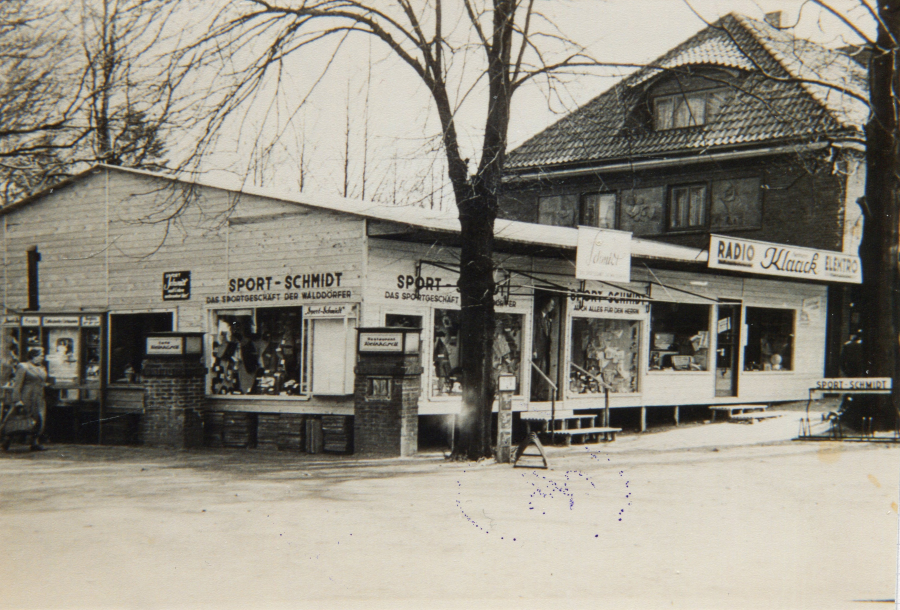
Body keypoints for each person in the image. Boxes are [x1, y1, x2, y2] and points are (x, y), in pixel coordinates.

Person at [12, 347, 48, 450]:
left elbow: (40, 381)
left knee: (40, 419)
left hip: (39, 397)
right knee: (26, 420)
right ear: (33, 356)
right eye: (40, 355)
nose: (42, 357)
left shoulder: (41, 368)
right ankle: (8, 439)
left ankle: (34, 441)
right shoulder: (23, 366)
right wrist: (17, 400)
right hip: (27, 397)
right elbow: (17, 384)